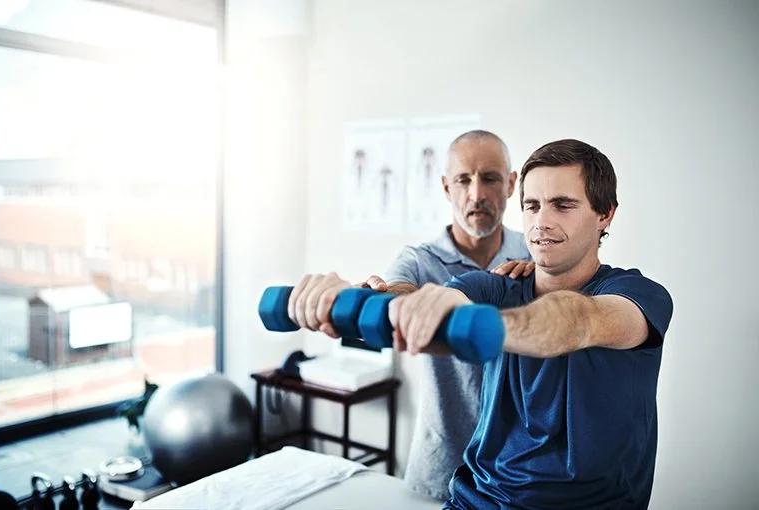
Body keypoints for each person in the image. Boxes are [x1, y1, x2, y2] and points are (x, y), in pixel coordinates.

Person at [287, 138, 673, 509]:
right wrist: (350, 302)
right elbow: (421, 306)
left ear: (605, 214)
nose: (541, 222)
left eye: (562, 205)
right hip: (476, 500)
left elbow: (578, 321)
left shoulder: (638, 294)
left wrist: (488, 327)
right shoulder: (495, 284)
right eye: (532, 206)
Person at [363, 129, 532, 499]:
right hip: (441, 467)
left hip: (519, 470)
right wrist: (382, 298)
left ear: (510, 184)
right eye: (463, 180)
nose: (476, 194)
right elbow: (398, 291)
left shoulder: (535, 258)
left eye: (490, 178)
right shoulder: (420, 260)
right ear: (445, 187)